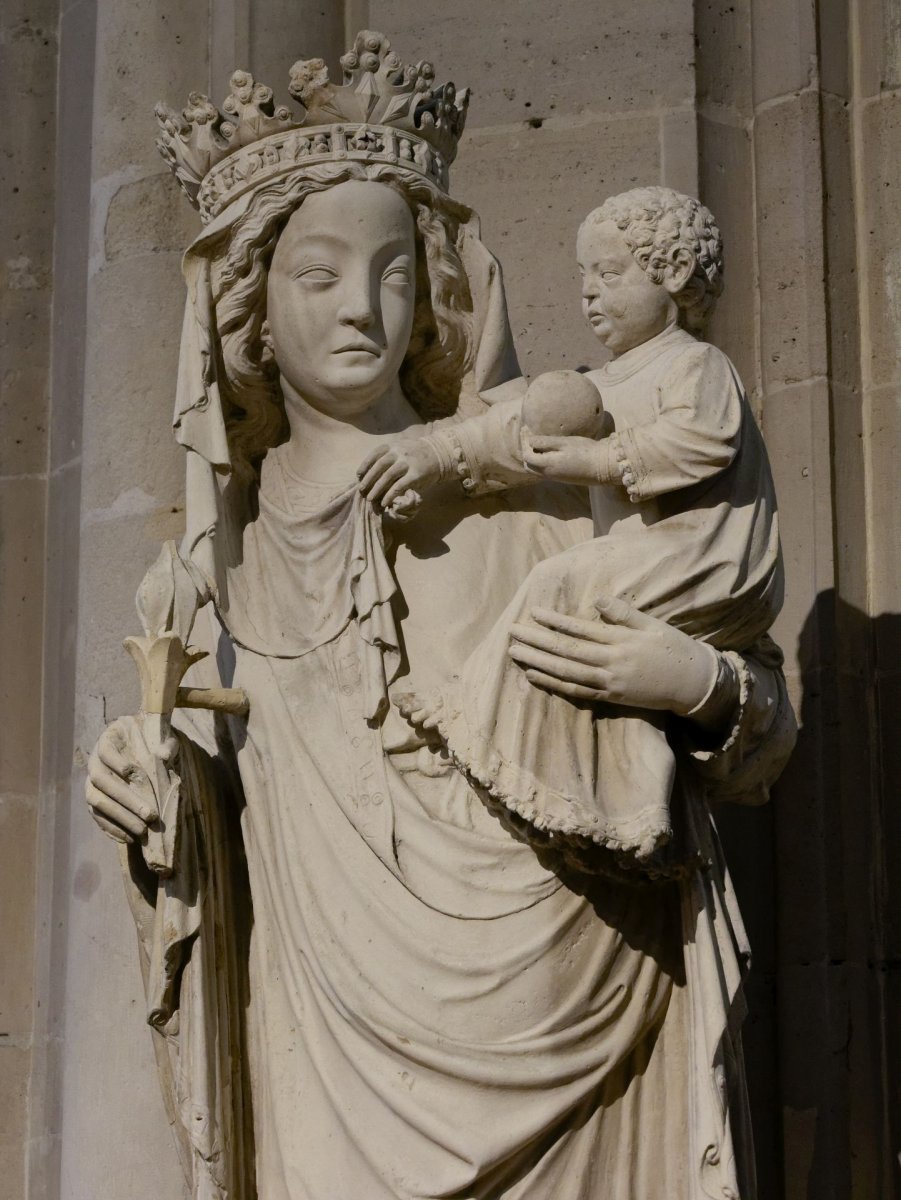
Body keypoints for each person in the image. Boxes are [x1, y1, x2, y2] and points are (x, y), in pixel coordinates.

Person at [84, 34, 796, 1200]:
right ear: (251, 308)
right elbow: (218, 807)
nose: (362, 308)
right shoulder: (211, 574)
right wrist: (151, 782)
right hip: (333, 1053)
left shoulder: (536, 481)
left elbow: (762, 721)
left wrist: (696, 686)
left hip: (589, 1004)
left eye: (396, 272)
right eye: (318, 277)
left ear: (434, 291)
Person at [357, 187, 783, 876]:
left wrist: (696, 685)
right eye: (583, 277)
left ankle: (490, 739)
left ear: (672, 273)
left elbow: (696, 443)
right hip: (466, 864)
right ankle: (514, 761)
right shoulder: (593, 388)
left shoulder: (695, 367)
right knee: (564, 588)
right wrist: (435, 454)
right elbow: (515, 433)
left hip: (699, 559)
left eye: (608, 275)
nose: (588, 295)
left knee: (561, 581)